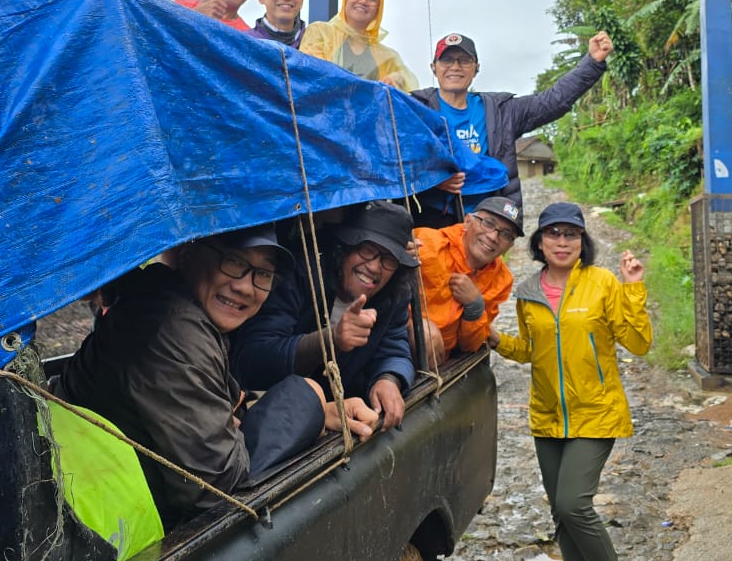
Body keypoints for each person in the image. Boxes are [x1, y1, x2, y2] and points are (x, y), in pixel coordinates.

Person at [54, 224, 378, 527]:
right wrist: (306, 403)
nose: (245, 286)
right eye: (233, 261)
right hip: (105, 529)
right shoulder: (174, 329)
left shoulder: (177, 306)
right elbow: (219, 489)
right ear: (189, 255)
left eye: (262, 274)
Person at [492, 201, 652, 561]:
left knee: (573, 504)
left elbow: (639, 342)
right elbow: (531, 350)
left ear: (583, 242)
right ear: (539, 242)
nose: (562, 241)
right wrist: (497, 341)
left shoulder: (602, 283)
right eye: (553, 233)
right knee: (562, 518)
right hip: (548, 419)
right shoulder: (527, 293)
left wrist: (634, 290)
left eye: (572, 234)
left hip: (596, 414)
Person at [230, 201, 418, 429]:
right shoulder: (300, 274)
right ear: (344, 247)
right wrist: (331, 340)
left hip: (346, 411)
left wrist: (389, 378)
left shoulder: (392, 295)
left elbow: (395, 345)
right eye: (367, 250)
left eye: (388, 260)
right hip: (273, 416)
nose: (375, 267)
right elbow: (252, 359)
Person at [410, 31, 613, 226]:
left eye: (464, 60)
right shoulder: (414, 108)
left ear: (476, 67)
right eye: (446, 60)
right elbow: (394, 159)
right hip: (430, 221)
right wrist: (432, 179)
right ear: (433, 67)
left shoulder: (501, 111)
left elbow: (552, 101)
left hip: (487, 224)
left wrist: (592, 63)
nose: (455, 66)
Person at [415, 196, 522, 364]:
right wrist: (413, 326)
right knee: (426, 334)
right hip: (400, 343)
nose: (493, 237)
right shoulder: (427, 244)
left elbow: (470, 345)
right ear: (467, 222)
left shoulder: (501, 279)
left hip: (446, 358)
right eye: (488, 223)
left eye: (506, 234)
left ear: (509, 247)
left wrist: (475, 307)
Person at [299, 0, 417, 91]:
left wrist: (398, 79)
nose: (363, 1)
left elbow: (409, 87)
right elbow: (311, 72)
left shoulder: (387, 57)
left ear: (378, 10)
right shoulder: (320, 32)